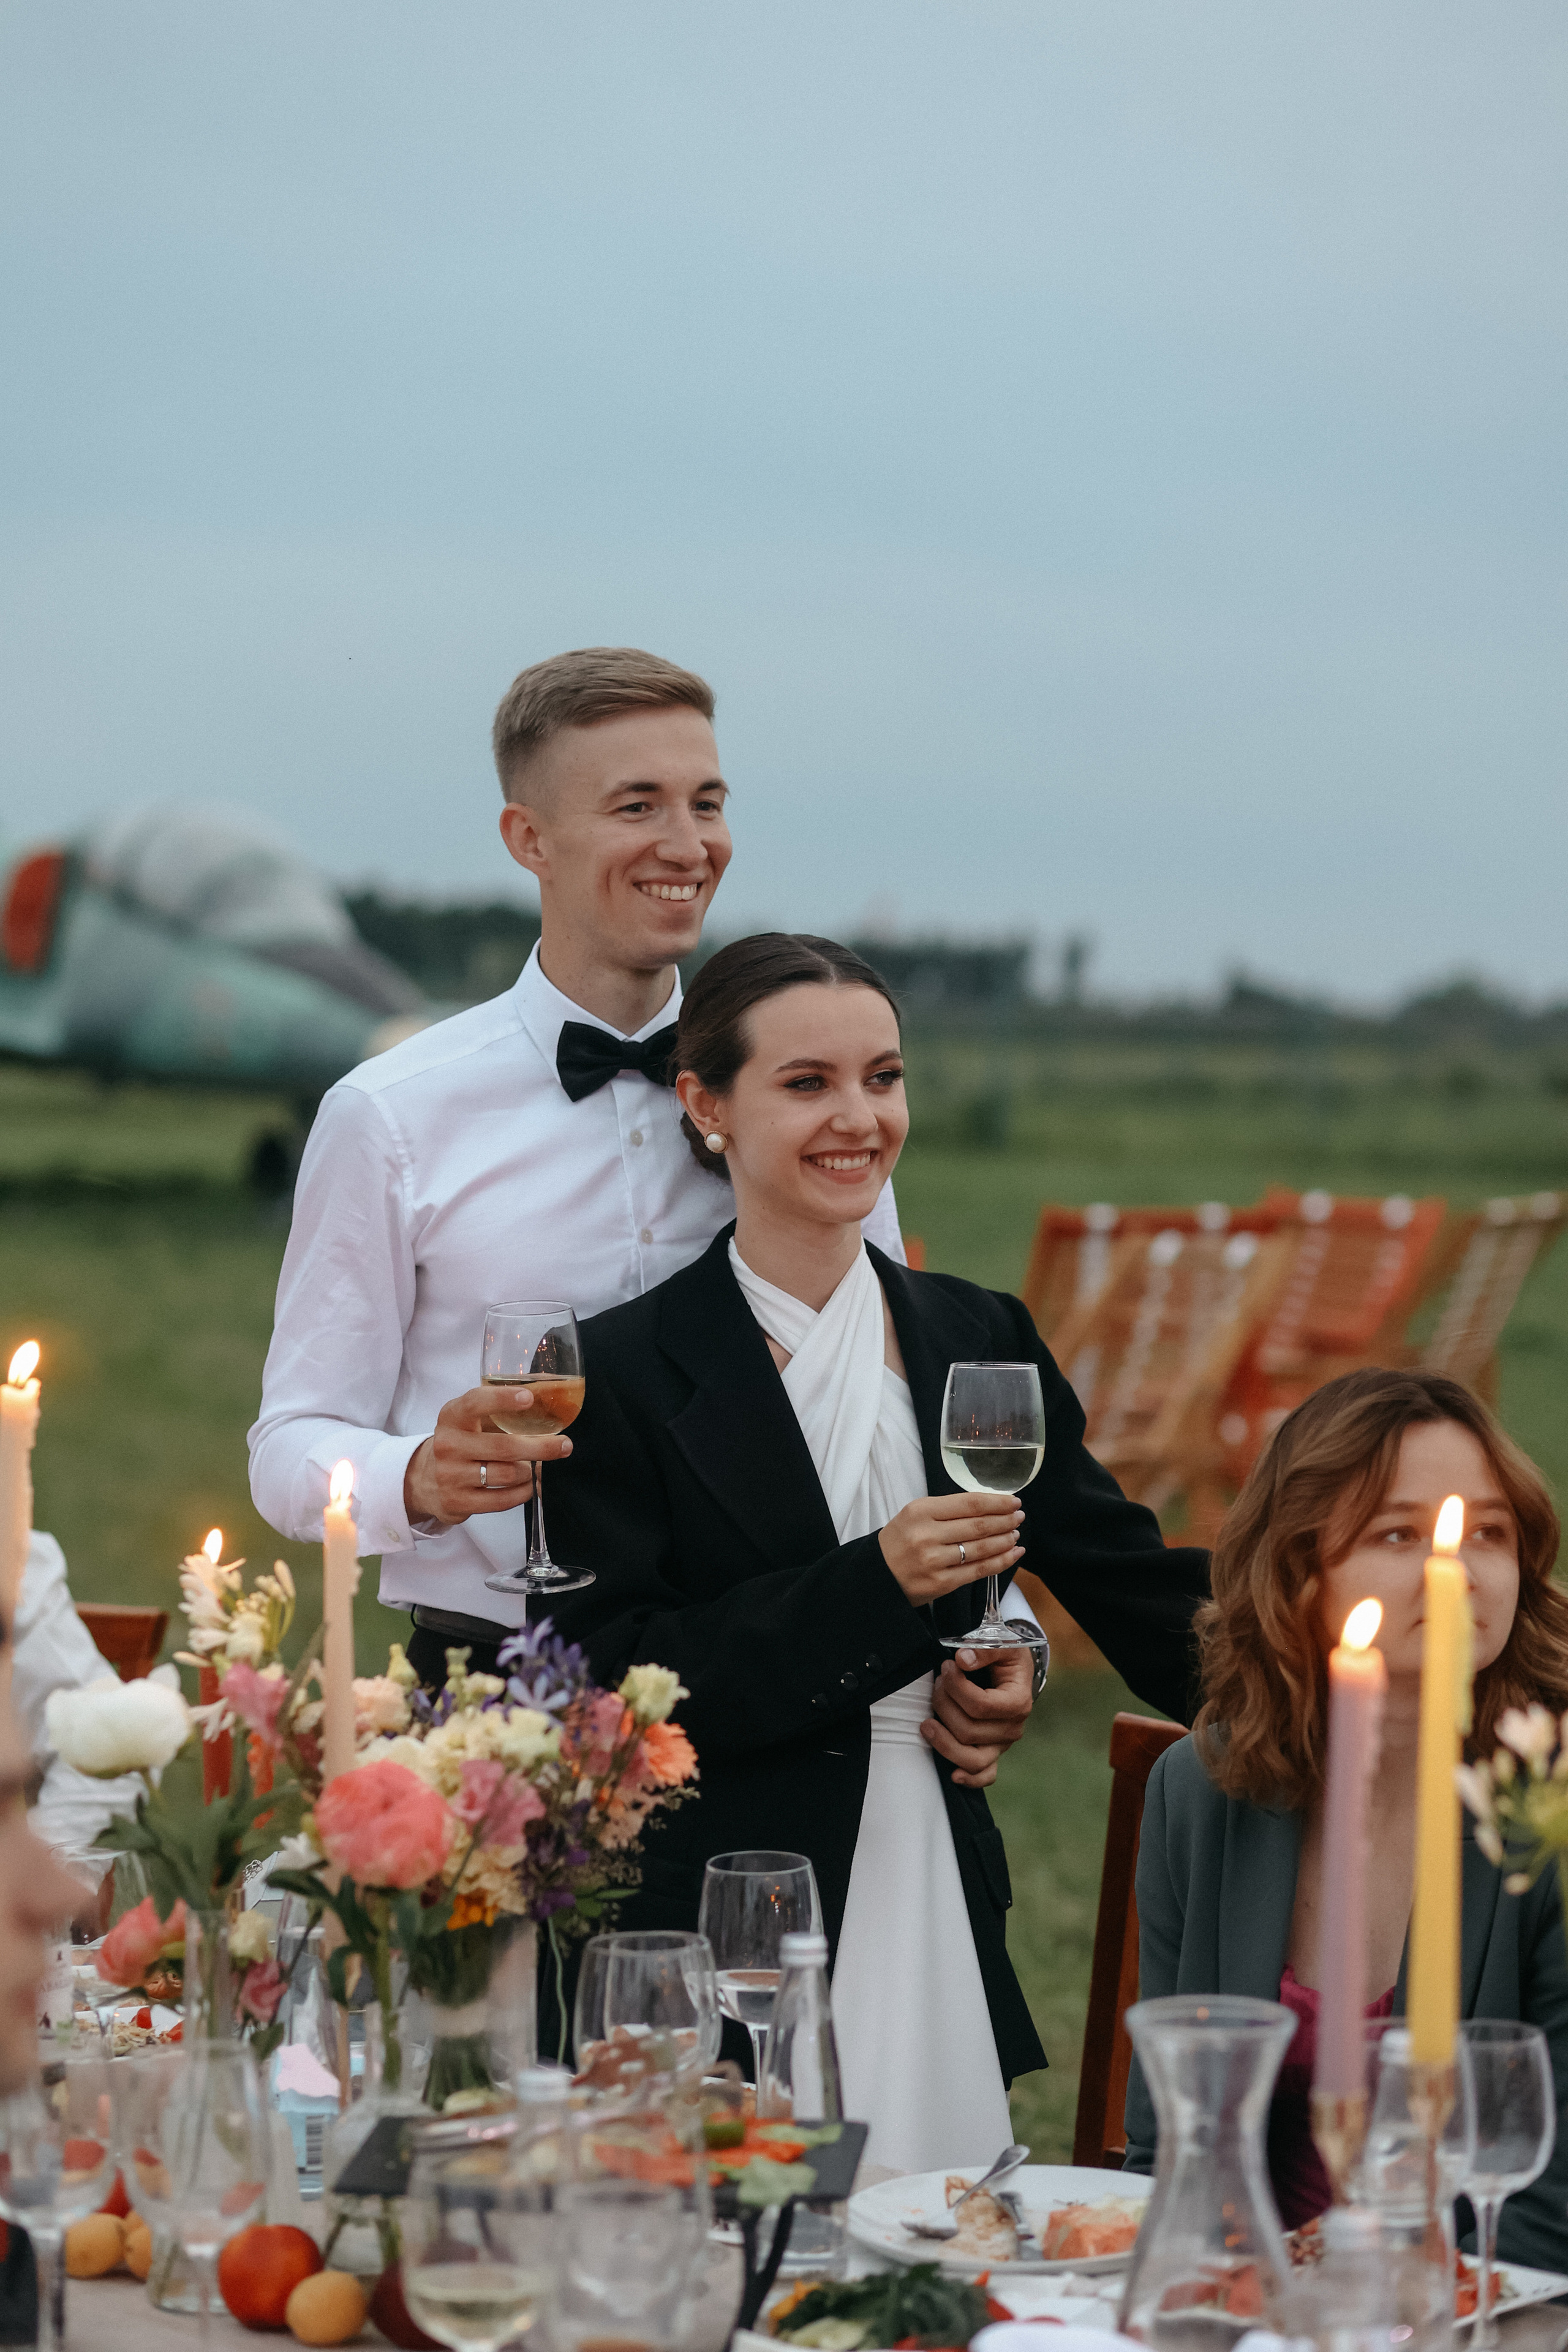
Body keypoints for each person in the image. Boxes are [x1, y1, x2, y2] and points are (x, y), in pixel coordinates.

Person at [543, 932, 1209, 2171]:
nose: (858, 1118)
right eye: (807, 1085)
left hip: (934, 1878)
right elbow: (616, 1688)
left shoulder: (974, 1334)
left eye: (882, 1078)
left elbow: (1138, 1589)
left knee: (929, 2250)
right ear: (706, 1106)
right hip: (726, 1916)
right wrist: (879, 1585)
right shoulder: (623, 1372)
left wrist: (1360, 1679)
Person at [247, 647, 905, 1691]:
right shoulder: (388, 1115)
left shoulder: (804, 1091)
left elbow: (891, 1384)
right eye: (638, 806)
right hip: (495, 1683)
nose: (688, 845)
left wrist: (992, 1631)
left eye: (708, 802)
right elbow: (289, 1447)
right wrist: (414, 1475)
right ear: (530, 839)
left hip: (776, 1659)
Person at [1125, 1366, 1568, 2271]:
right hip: (1246, 2299)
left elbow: (1551, 2202)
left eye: (1488, 1532)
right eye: (1399, 1533)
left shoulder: (1548, 1803)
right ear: (1299, 1570)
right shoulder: (1201, 1791)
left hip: (1493, 2300)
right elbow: (1168, 2147)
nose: (1459, 1574)